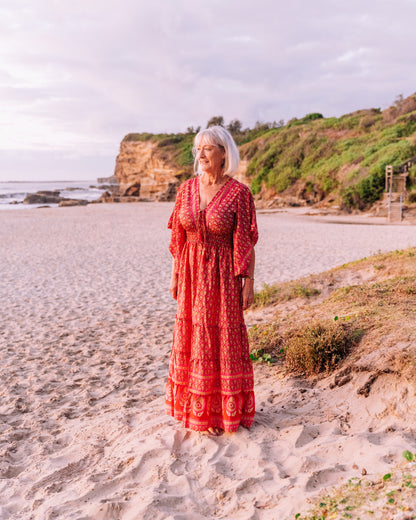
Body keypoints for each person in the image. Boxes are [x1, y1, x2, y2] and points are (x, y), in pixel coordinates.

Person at [165, 125, 258, 435]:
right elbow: (179, 239)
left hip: (222, 276)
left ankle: (223, 413)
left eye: (207, 148)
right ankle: (195, 408)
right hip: (191, 275)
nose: (201, 153)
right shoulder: (186, 189)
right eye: (198, 148)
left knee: (222, 340)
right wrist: (176, 275)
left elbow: (244, 241)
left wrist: (248, 281)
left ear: (223, 153)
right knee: (193, 336)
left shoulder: (239, 193)